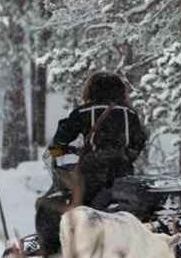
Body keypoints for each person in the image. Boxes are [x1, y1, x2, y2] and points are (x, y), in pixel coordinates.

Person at [48, 71, 148, 208]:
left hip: (92, 173)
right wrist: (124, 156)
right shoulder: (129, 113)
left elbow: (61, 139)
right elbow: (139, 141)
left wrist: (57, 151)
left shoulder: (82, 112)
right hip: (122, 172)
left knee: (82, 211)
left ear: (91, 89)